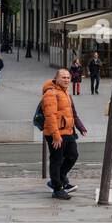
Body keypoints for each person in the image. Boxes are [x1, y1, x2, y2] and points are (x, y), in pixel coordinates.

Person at [39, 67, 87, 200]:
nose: (66, 80)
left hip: (68, 131)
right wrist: (55, 135)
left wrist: (80, 127)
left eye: (68, 77)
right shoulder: (51, 93)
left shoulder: (66, 93)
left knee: (73, 155)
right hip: (56, 133)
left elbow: (73, 113)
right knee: (57, 160)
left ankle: (58, 179)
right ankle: (57, 188)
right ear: (57, 79)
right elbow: (50, 116)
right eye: (63, 77)